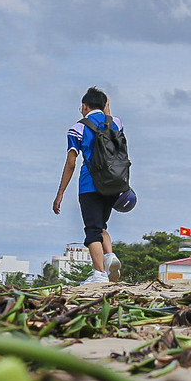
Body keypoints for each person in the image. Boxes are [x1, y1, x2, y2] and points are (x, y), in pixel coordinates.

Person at [53, 86, 124, 285]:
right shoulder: (116, 123)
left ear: (85, 106)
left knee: (92, 230)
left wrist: (60, 193)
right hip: (114, 183)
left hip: (90, 185)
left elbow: (71, 163)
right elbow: (110, 131)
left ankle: (99, 274)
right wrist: (107, 109)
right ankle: (109, 257)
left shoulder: (77, 128)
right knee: (101, 226)